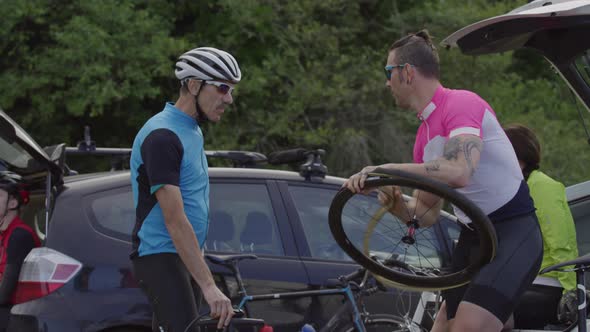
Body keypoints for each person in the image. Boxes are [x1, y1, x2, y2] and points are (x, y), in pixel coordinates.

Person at [344, 30, 543, 332]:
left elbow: (460, 171)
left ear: (407, 72)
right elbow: (426, 214)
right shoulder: (423, 139)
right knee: (443, 327)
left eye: (389, 72)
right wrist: (395, 202)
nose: (387, 82)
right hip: (472, 238)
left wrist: (388, 169)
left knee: (467, 326)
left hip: (512, 231)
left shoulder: (461, 103)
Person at [130, 47, 241, 331]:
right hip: (160, 255)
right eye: (222, 88)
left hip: (182, 255)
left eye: (231, 90)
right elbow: (174, 219)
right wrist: (209, 285)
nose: (228, 99)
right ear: (193, 85)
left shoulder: (191, 129)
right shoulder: (162, 137)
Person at [505, 124, 579, 329]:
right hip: (520, 283)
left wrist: (571, 291)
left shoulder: (543, 186)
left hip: (549, 285)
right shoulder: (513, 190)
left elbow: (561, 242)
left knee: (488, 316)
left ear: (518, 160)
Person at [0, 171, 41, 330]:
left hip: (14, 314)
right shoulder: (5, 234)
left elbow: (4, 295)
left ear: (12, 203)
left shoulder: (19, 235)